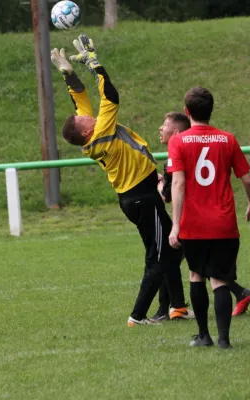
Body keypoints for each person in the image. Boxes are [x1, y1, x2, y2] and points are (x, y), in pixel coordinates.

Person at [49, 34, 194, 326]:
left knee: (172, 246)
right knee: (158, 256)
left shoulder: (91, 131)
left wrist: (69, 74)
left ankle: (176, 307)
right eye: (85, 120)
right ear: (87, 133)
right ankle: (137, 316)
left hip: (136, 197)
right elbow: (110, 96)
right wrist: (95, 64)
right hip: (142, 198)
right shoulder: (101, 132)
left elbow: (81, 102)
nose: (88, 117)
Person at [168, 87, 250, 349]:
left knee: (196, 275)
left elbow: (178, 184)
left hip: (194, 225)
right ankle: (224, 340)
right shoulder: (228, 139)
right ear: (211, 110)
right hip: (224, 224)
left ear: (187, 112)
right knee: (220, 279)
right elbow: (248, 178)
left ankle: (203, 336)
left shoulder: (178, 141)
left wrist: (175, 224)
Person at [153, 112, 250, 321]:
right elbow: (247, 179)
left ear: (177, 132)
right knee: (196, 265)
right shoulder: (220, 140)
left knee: (188, 266)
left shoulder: (178, 151)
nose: (160, 129)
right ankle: (174, 308)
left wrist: (159, 182)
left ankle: (172, 311)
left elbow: (169, 196)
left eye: (164, 125)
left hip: (192, 220)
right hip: (217, 218)